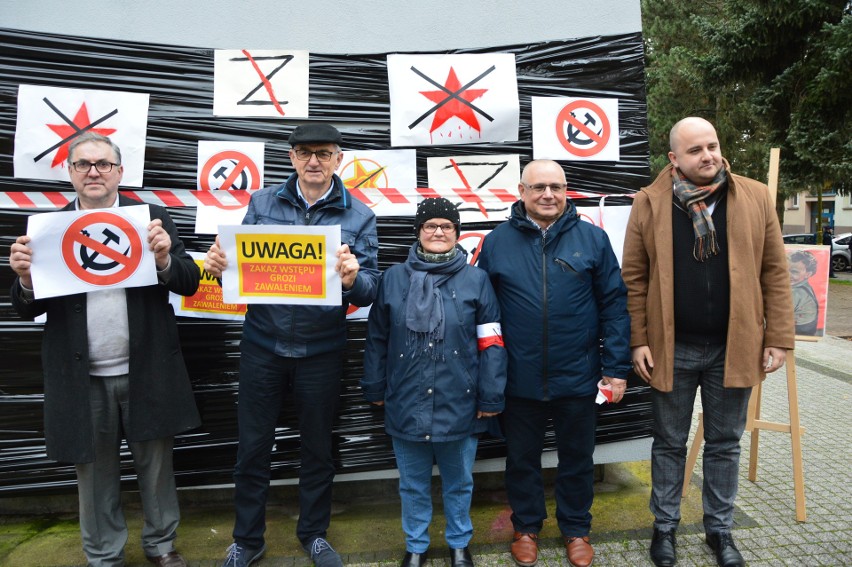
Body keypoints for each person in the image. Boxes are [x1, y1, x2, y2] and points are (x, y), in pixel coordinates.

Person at [8, 132, 201, 567]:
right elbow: (25, 306)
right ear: (70, 173)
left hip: (146, 369)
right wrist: (24, 278)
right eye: (83, 164)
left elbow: (189, 282)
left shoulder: (151, 217)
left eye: (103, 164)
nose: (93, 171)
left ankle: (162, 546)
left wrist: (167, 260)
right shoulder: (48, 228)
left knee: (155, 469)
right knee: (93, 474)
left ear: (119, 172)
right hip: (81, 376)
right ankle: (103, 556)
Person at [203, 123, 380, 567]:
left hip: (322, 350)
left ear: (339, 159)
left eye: (323, 153)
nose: (314, 161)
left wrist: (354, 279)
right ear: (291, 158)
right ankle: (246, 540)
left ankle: (314, 535)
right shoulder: (261, 203)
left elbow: (372, 289)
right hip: (263, 345)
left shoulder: (359, 215)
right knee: (253, 448)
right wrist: (219, 261)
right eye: (304, 153)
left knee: (318, 448)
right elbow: (235, 268)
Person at [621, 117, 794, 567]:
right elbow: (634, 278)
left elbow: (775, 271)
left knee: (724, 442)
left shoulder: (754, 196)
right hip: (670, 348)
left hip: (734, 346)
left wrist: (777, 336)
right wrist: (638, 338)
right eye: (696, 150)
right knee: (669, 442)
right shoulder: (650, 202)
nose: (709, 156)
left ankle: (719, 530)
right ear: (674, 159)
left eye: (713, 145)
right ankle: (665, 529)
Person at [478, 159, 631, 567]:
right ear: (521, 191)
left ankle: (576, 529)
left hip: (578, 376)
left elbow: (615, 307)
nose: (548, 195)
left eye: (557, 187)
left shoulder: (593, 240)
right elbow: (483, 313)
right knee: (521, 459)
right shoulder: (496, 242)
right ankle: (526, 527)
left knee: (578, 458)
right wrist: (487, 375)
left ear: (567, 191)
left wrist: (615, 369)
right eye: (539, 187)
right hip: (519, 376)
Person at [362, 198, 507, 567]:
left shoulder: (477, 280)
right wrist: (375, 387)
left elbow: (492, 343)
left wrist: (491, 396)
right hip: (406, 400)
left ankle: (459, 543)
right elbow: (377, 338)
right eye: (430, 226)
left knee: (459, 483)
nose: (438, 232)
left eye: (446, 226)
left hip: (460, 400)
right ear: (419, 232)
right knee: (412, 484)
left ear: (457, 233)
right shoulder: (394, 278)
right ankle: (416, 545)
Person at [788, 250, 819, 336]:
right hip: (806, 330)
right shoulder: (805, 287)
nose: (787, 274)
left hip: (798, 331)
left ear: (808, 274)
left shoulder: (796, 292)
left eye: (794, 272)